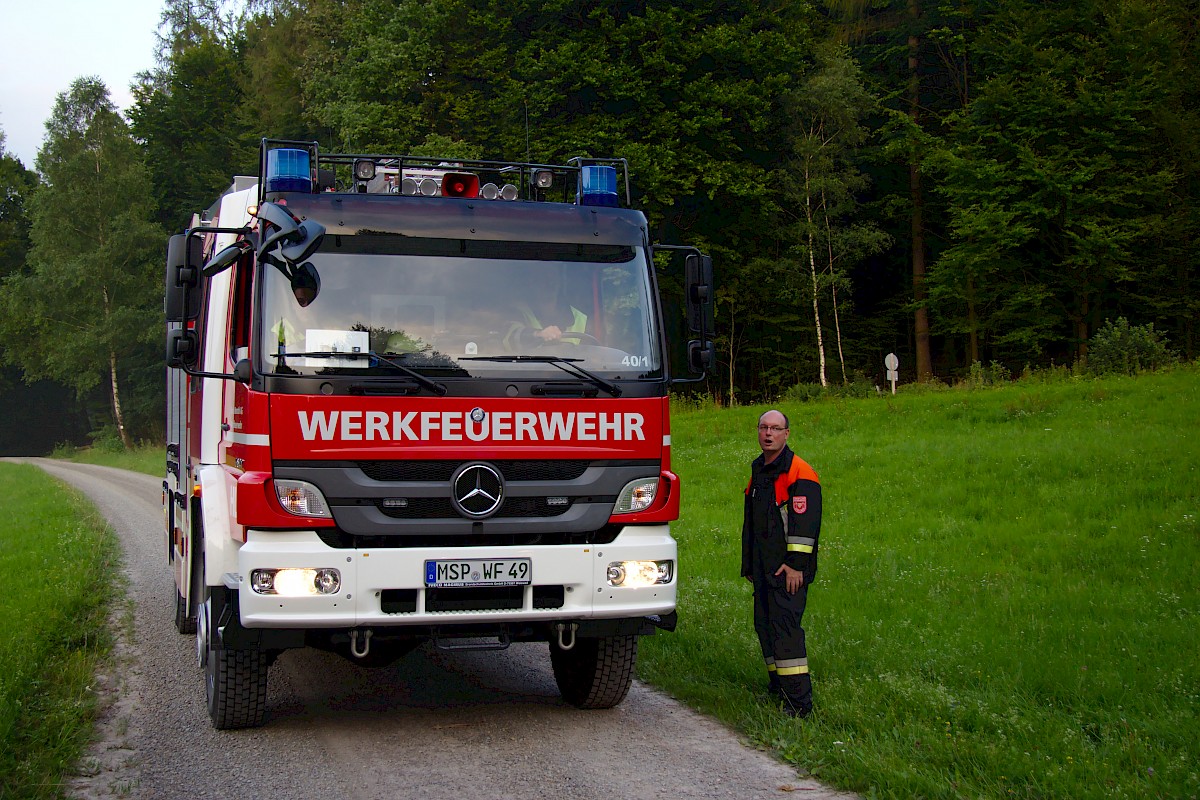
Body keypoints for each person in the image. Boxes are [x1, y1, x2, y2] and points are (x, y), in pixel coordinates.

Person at [741, 409, 822, 718]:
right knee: (765, 627)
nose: (768, 433)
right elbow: (753, 523)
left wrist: (796, 566)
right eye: (763, 427)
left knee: (786, 632)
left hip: (788, 571)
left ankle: (799, 705)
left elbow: (805, 525)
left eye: (775, 428)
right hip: (763, 570)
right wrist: (749, 565)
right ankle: (778, 689)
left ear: (787, 434)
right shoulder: (760, 470)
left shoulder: (799, 472)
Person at [502, 265, 589, 350]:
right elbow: (509, 337)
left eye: (553, 275)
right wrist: (538, 334)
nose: (549, 282)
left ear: (559, 280)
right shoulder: (518, 310)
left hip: (572, 365)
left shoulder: (580, 318)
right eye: (543, 276)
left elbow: (593, 355)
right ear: (531, 282)